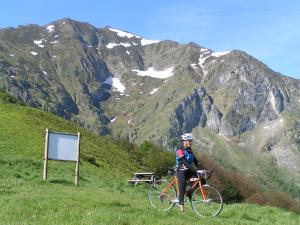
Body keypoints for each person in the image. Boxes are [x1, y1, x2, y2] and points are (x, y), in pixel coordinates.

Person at [175, 133, 201, 212]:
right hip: (181, 170)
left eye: (191, 141)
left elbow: (196, 162)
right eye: (190, 141)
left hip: (188, 170)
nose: (191, 142)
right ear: (185, 142)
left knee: (201, 180)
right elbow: (184, 162)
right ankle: (181, 208)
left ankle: (189, 193)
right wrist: (195, 170)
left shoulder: (190, 151)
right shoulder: (180, 150)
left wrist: (202, 169)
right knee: (182, 187)